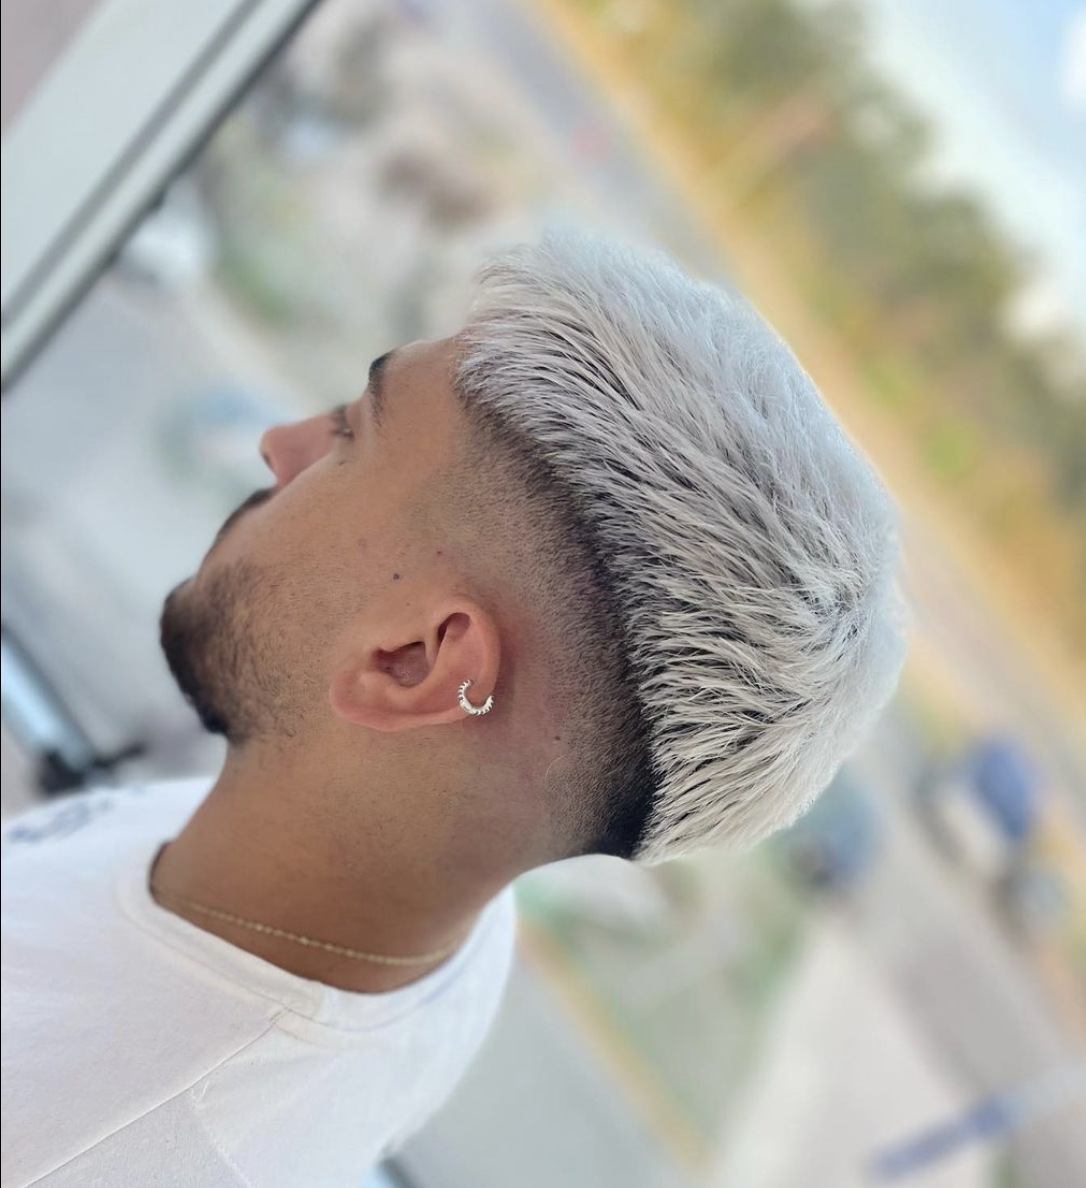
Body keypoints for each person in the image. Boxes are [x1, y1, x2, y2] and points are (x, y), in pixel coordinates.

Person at [1, 226, 909, 1186]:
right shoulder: (443, 925)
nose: (281, 444)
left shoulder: (69, 1131)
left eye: (350, 435)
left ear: (416, 663)